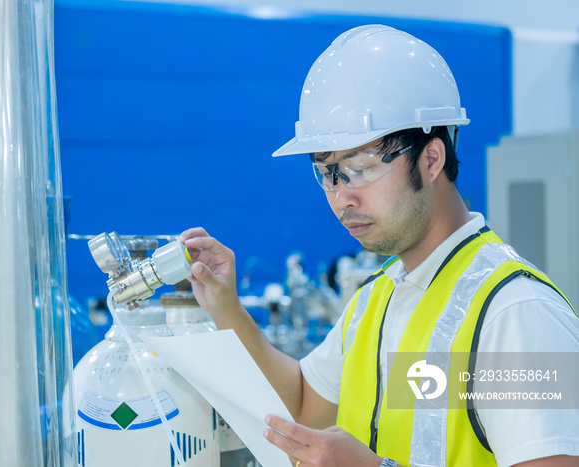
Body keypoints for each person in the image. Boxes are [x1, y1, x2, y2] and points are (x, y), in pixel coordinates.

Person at [178, 25, 579, 467]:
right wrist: (226, 307)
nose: (341, 197)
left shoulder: (514, 312)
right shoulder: (378, 299)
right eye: (326, 173)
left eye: (360, 168)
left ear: (431, 159)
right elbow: (303, 406)